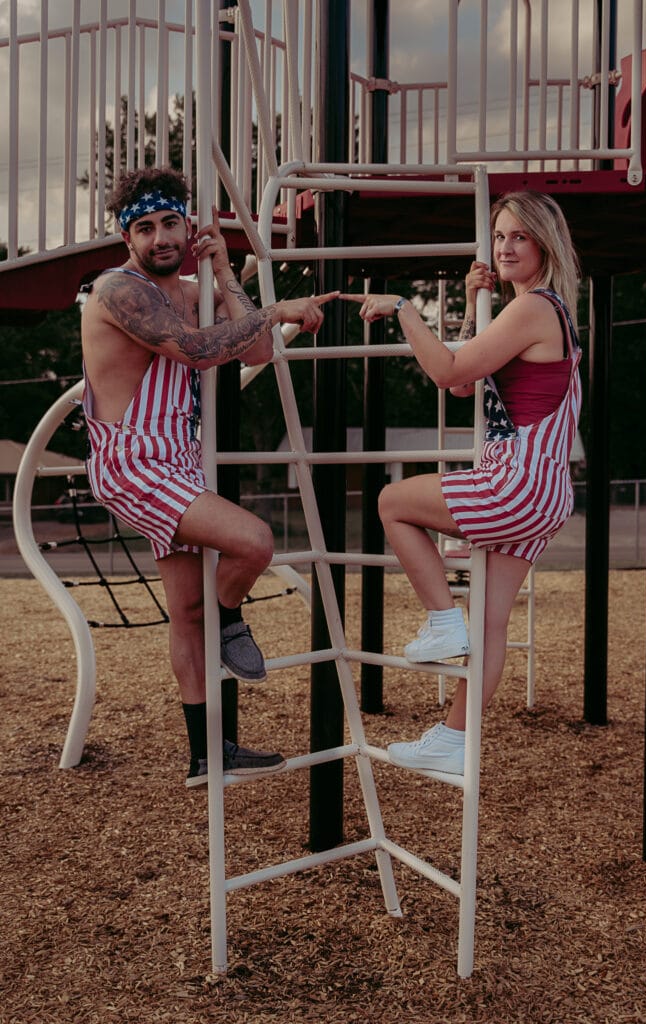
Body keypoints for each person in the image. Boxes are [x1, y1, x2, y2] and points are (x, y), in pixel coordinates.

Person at [81, 166, 337, 786]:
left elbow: (253, 350)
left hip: (177, 459)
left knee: (186, 611)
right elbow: (199, 351)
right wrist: (275, 307)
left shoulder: (194, 290)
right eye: (145, 228)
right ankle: (231, 621)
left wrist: (225, 273)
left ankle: (207, 752)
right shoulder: (120, 291)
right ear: (128, 240)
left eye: (170, 222)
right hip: (135, 459)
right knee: (254, 541)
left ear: (188, 226)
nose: (161, 237)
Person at [342, 190, 582, 774]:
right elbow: (465, 385)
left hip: (518, 478)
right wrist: (477, 304)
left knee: (393, 501)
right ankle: (454, 741)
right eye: (499, 236)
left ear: (545, 242)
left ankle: (441, 619)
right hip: (547, 487)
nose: (505, 246)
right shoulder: (538, 311)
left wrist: (403, 308)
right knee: (493, 622)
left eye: (519, 236)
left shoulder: (533, 308)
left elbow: (447, 369)